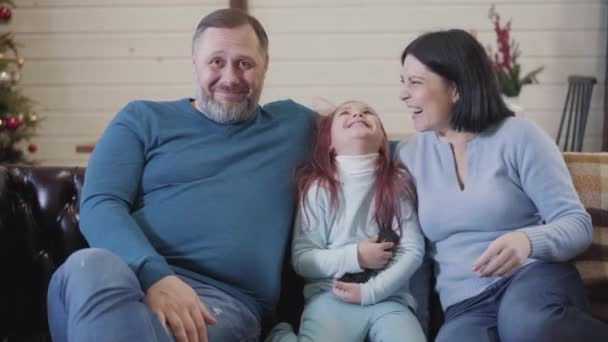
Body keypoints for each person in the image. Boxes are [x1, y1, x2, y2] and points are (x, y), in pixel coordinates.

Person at [46, 8, 316, 342]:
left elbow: (378, 148)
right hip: (120, 281)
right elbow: (101, 203)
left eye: (244, 63)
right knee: (91, 265)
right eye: (216, 61)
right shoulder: (142, 119)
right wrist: (155, 277)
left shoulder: (294, 126)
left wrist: (404, 86)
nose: (230, 77)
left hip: (221, 302)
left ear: (265, 66)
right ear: (194, 62)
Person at [398, 29, 608, 342]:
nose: (403, 94)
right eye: (402, 81)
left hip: (532, 277)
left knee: (527, 326)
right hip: (465, 304)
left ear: (455, 88)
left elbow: (577, 225)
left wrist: (527, 241)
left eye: (415, 82)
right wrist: (417, 327)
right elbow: (415, 256)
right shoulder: (408, 156)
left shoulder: (519, 136)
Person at [266, 101, 426, 342]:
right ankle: (280, 336)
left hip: (389, 300)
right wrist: (356, 256)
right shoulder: (317, 189)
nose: (358, 114)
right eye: (346, 113)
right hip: (332, 298)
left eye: (368, 112)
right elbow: (303, 259)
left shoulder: (397, 182)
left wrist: (370, 291)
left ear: (383, 140)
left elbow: (412, 250)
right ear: (329, 143)